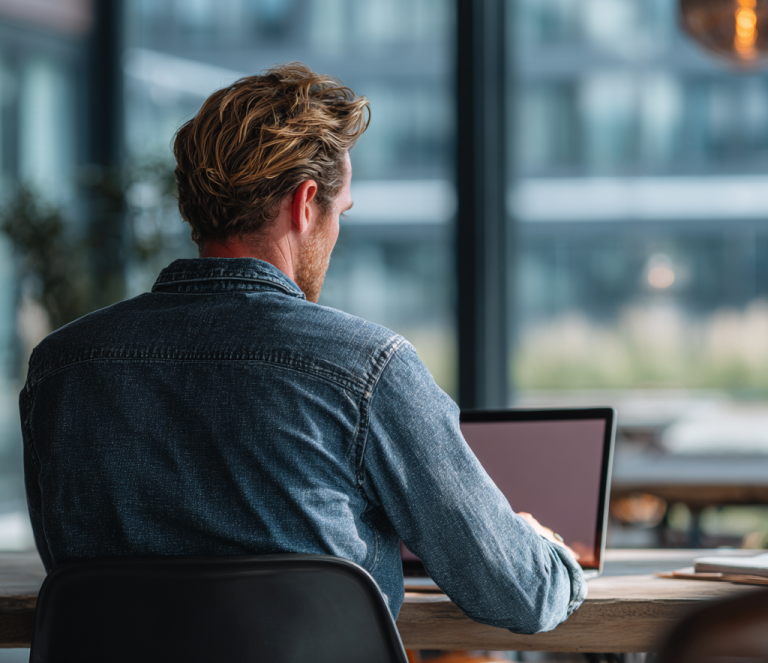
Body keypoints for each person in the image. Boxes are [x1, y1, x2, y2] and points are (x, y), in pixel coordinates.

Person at [20, 62, 586, 634]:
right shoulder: (368, 368)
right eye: (339, 214)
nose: (336, 231)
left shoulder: (58, 369)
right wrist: (541, 545)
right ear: (305, 203)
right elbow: (523, 594)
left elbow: (72, 577)